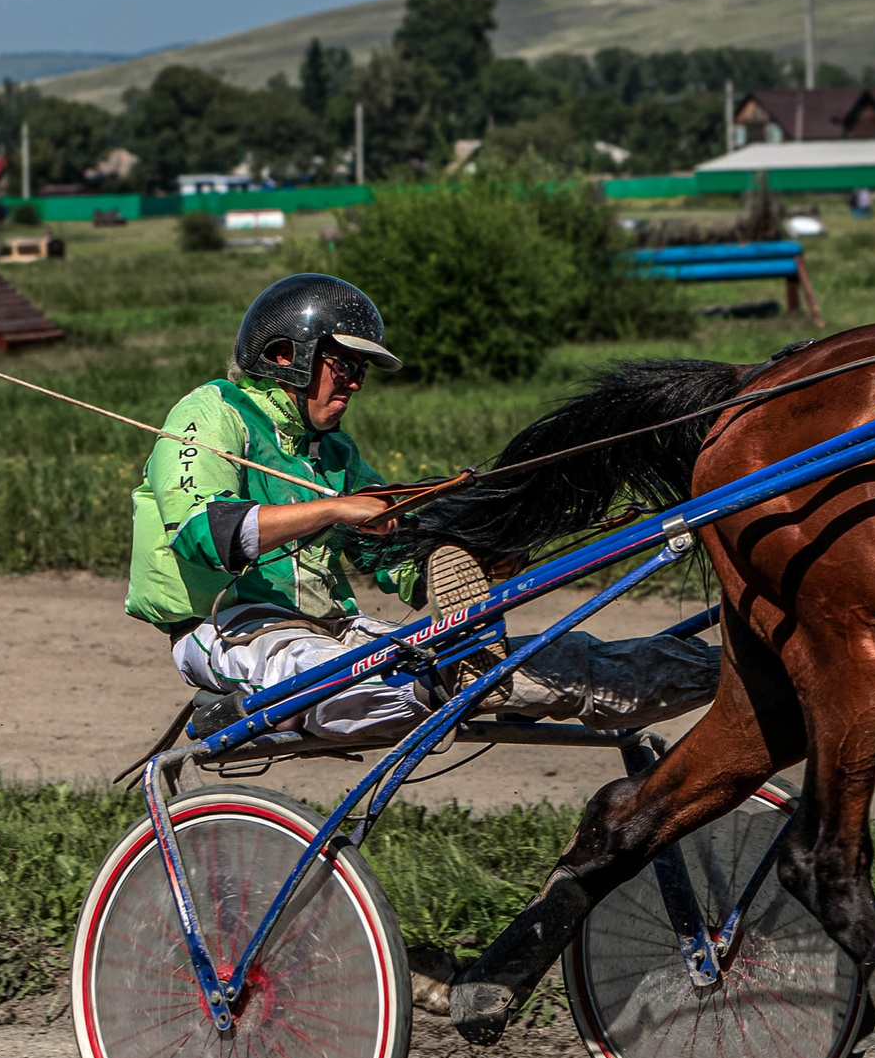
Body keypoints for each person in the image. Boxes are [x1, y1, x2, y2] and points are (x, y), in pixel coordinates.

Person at [126, 273, 718, 744]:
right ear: (286, 354)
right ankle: (459, 676)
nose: (356, 382)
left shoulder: (334, 451)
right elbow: (204, 531)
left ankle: (732, 673)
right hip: (232, 633)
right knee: (400, 679)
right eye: (345, 364)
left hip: (334, 634)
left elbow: (396, 555)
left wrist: (476, 555)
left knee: (556, 662)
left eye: (361, 370)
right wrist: (335, 511)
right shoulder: (210, 414)